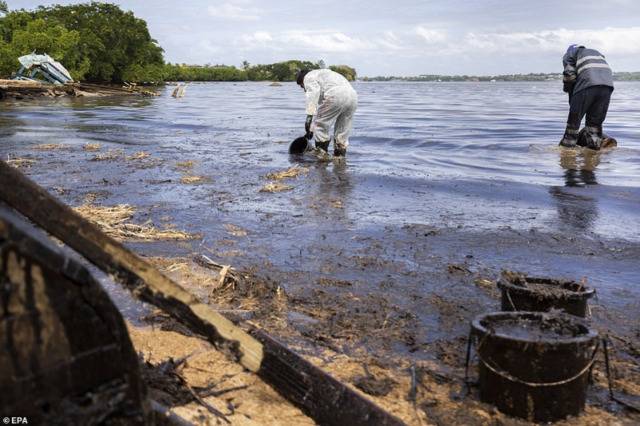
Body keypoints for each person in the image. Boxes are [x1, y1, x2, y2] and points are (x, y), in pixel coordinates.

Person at [559, 45, 614, 150]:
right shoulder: (596, 52)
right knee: (594, 125)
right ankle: (594, 151)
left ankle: (567, 151)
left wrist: (568, 90)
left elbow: (569, 76)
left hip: (587, 84)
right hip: (607, 85)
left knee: (573, 125)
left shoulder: (570, 54)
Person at [296, 68, 358, 157]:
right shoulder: (325, 75)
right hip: (353, 97)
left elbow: (313, 93)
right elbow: (322, 113)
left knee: (320, 127)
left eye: (302, 86)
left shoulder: (308, 77)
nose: (304, 90)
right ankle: (339, 160)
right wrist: (311, 129)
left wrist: (309, 117)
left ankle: (322, 158)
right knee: (342, 130)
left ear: (302, 80)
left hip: (335, 95)